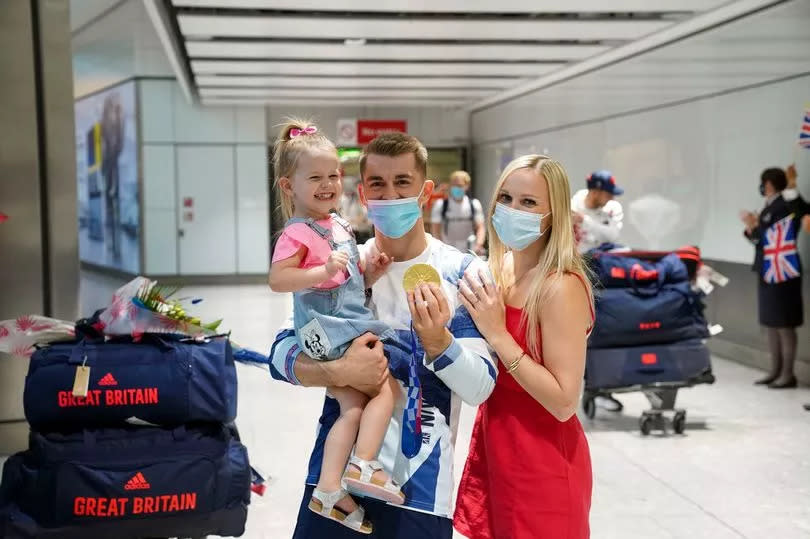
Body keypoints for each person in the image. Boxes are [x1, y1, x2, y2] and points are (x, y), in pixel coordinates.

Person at [269, 132, 496, 539]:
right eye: (378, 184)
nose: (390, 195)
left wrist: (438, 342)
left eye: (402, 182)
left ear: (426, 191)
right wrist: (337, 370)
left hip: (418, 490)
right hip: (332, 484)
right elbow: (281, 353)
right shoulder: (342, 263)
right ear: (362, 192)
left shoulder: (465, 273)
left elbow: (481, 386)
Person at [268, 119, 406, 534]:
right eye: (315, 177)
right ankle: (364, 463)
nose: (328, 184)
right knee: (386, 388)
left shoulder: (339, 224)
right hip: (327, 329)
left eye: (334, 175)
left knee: (352, 407)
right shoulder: (297, 232)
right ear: (289, 186)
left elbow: (343, 283)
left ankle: (329, 489)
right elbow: (279, 280)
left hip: (337, 322)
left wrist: (368, 274)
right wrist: (319, 270)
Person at [454, 155, 594, 539]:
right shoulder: (500, 273)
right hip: (496, 447)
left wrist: (499, 335)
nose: (513, 210)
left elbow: (565, 402)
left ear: (554, 215)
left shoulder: (560, 286)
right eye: (506, 198)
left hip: (544, 460)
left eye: (529, 203)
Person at [740, 165, 808, 389]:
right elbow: (761, 241)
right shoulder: (769, 206)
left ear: (769, 184)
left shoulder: (783, 206)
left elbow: (773, 236)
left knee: (783, 323)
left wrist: (755, 226)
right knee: (771, 322)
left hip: (782, 270)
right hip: (766, 268)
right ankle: (775, 370)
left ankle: (787, 374)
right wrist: (752, 229)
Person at [571, 169, 625, 412]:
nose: (611, 198)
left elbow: (611, 234)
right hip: (571, 273)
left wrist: (584, 220)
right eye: (608, 193)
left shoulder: (612, 209)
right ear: (595, 191)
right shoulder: (572, 201)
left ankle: (600, 386)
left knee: (603, 329)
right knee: (573, 332)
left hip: (600, 274)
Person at [430, 170, 486, 254]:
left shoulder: (474, 204)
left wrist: (478, 245)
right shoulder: (440, 205)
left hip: (469, 251)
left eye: (460, 185)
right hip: (447, 251)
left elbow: (480, 227)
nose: (456, 188)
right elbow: (435, 229)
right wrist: (440, 249)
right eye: (454, 185)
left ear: (467, 186)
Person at [571, 169, 624, 254]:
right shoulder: (572, 206)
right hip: (578, 262)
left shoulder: (614, 207)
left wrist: (584, 220)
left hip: (603, 259)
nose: (612, 198)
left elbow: (613, 236)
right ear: (595, 193)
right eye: (608, 195)